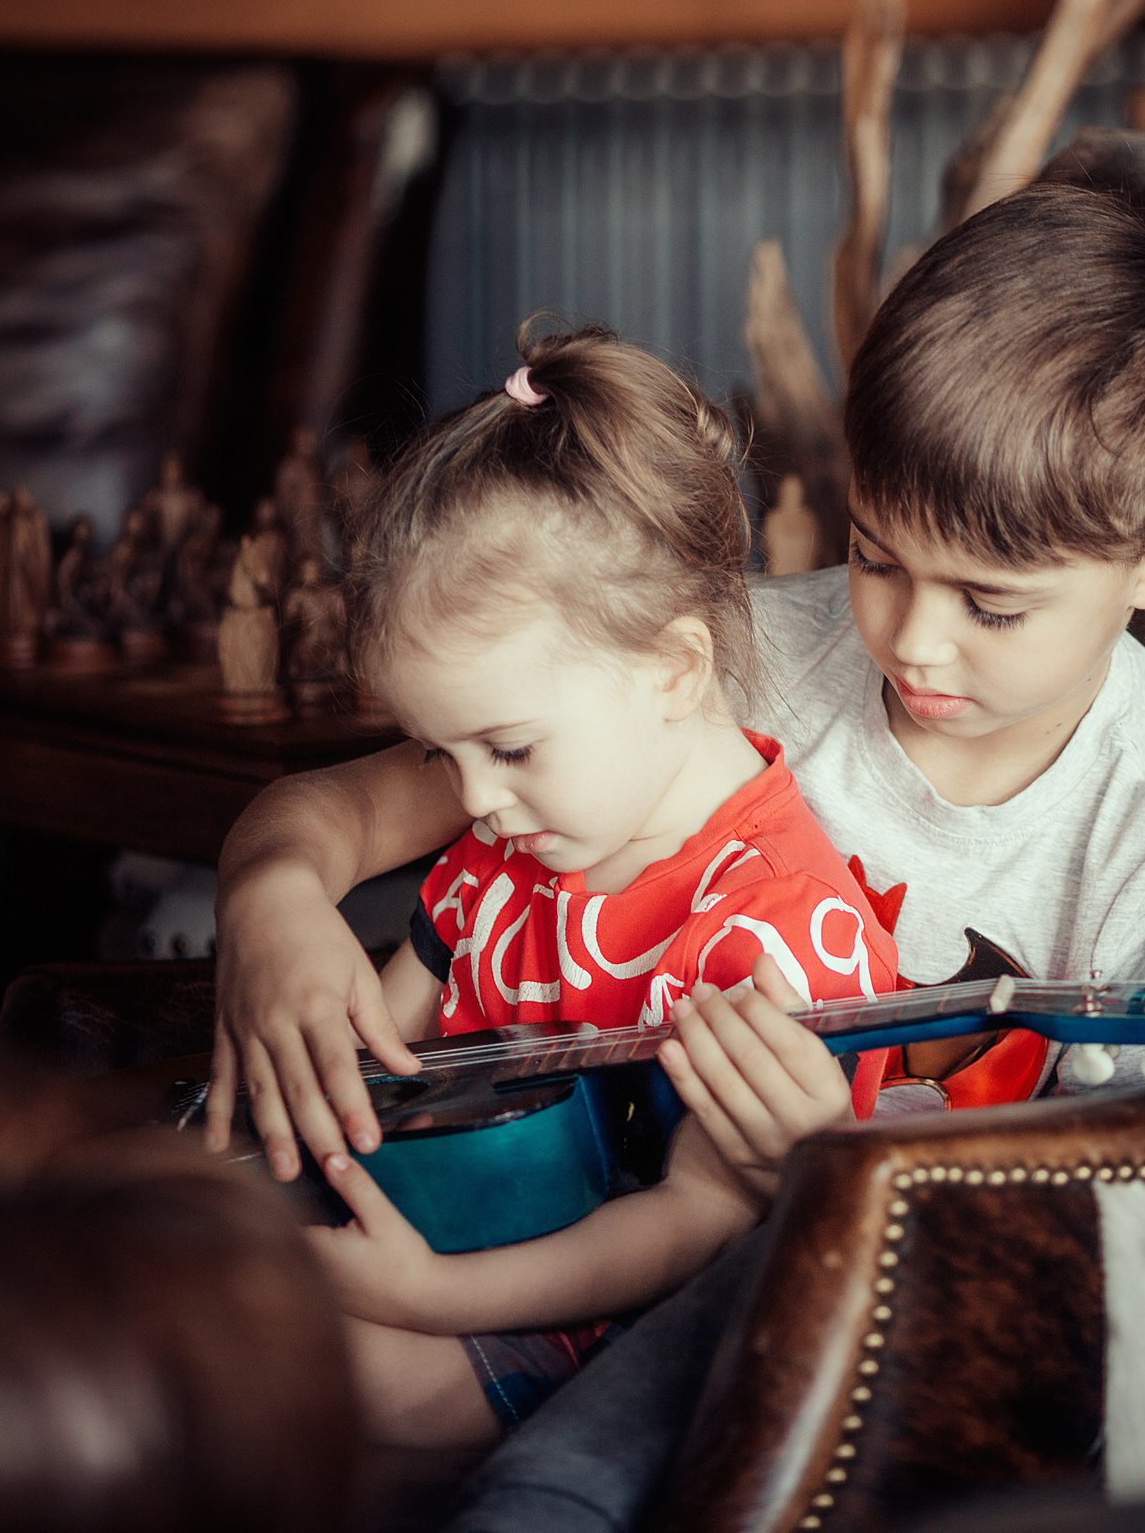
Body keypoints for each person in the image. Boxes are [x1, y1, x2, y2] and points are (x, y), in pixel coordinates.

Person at [212, 184, 1145, 1522]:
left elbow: (1128, 1236)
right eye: (877, 555)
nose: (914, 639)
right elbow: (356, 806)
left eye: (993, 603)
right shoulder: (744, 654)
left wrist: (817, 1173)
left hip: (867, 1294)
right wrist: (270, 894)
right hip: (580, 1207)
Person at [217, 323, 902, 1447]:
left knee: (270, 1378)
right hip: (438, 1244)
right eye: (443, 757)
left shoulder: (773, 931)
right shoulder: (512, 850)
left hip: (609, 1319)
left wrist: (430, 1300)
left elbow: (693, 1220)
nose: (475, 800)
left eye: (510, 748)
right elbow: (374, 1086)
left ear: (676, 671)